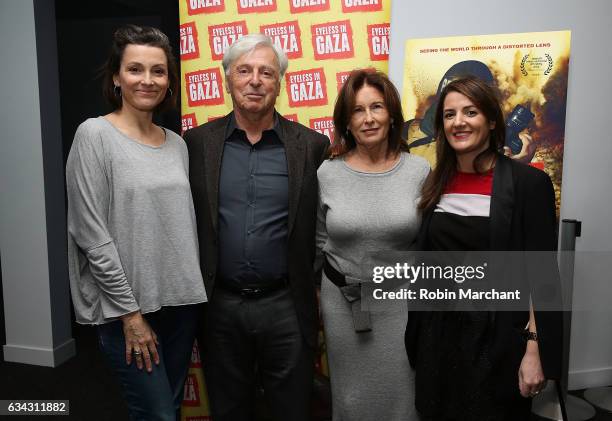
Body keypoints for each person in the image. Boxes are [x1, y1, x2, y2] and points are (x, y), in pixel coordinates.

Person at [183, 34, 329, 421]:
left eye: (267, 72)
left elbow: (325, 222)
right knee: (229, 408)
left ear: (280, 82)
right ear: (226, 78)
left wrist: (314, 280)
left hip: (285, 305)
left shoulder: (312, 145)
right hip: (219, 307)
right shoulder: (196, 143)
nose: (255, 80)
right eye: (244, 70)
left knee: (291, 408)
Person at [66, 25, 207, 421]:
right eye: (135, 69)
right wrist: (130, 314)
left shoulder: (177, 144)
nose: (147, 80)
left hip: (181, 304)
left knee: (170, 408)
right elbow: (90, 235)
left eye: (158, 71)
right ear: (116, 77)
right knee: (156, 414)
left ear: (169, 82)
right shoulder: (94, 135)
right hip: (126, 309)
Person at [405, 76, 562, 420]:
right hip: (438, 337)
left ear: (491, 121)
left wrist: (534, 350)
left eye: (470, 111)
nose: (458, 121)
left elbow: (543, 277)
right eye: (449, 115)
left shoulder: (528, 185)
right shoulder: (435, 183)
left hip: (497, 340)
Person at [316, 69, 429, 420]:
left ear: (391, 114)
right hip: (343, 305)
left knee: (403, 398)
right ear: (346, 122)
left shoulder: (420, 170)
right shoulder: (327, 173)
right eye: (357, 110)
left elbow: (428, 243)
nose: (368, 118)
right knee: (350, 400)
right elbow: (320, 239)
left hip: (401, 306)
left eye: (376, 107)